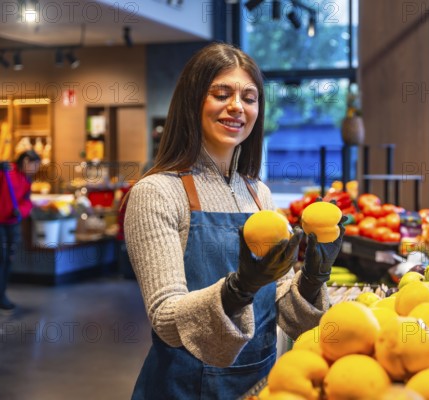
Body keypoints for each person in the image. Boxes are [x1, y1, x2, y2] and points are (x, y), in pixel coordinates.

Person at [124, 42, 345, 399]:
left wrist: (312, 278)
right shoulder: (157, 192)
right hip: (185, 387)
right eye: (221, 94)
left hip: (261, 380)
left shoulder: (259, 193)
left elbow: (286, 312)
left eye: (249, 97)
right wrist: (236, 290)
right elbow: (166, 319)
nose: (236, 107)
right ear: (192, 100)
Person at [0, 150, 41, 312]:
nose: (36, 169)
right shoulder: (6, 172)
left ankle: (2, 294)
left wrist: (21, 211)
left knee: (8, 259)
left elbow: (26, 201)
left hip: (12, 223)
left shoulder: (27, 180)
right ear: (25, 161)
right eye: (34, 164)